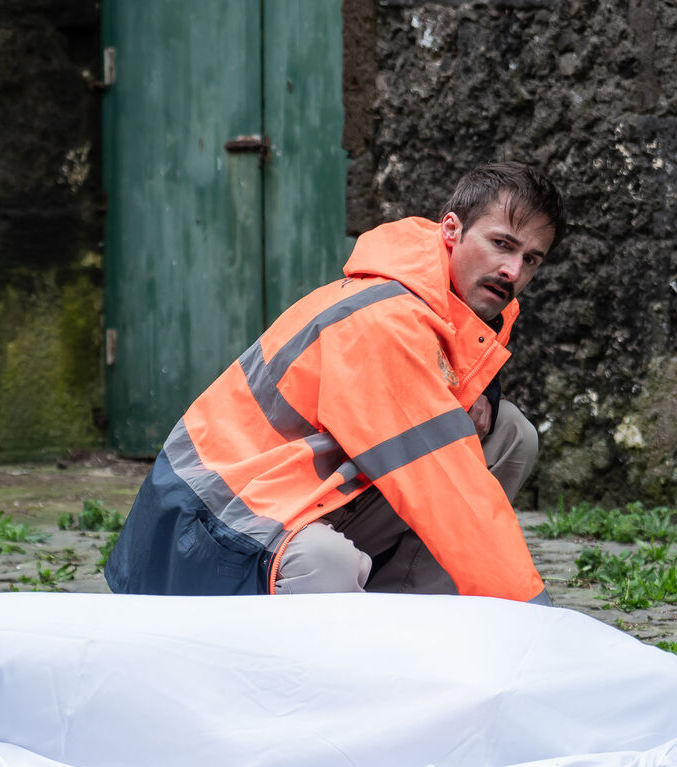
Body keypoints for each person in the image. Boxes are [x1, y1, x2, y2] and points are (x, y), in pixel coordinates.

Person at [105, 162, 565, 604]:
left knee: (509, 433)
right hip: (204, 525)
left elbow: (449, 379)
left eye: (530, 259)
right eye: (501, 244)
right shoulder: (385, 319)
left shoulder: (441, 302)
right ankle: (325, 644)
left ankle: (410, 617)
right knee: (326, 564)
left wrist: (486, 390)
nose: (513, 271)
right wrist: (534, 617)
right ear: (451, 230)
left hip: (305, 495)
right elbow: (448, 487)